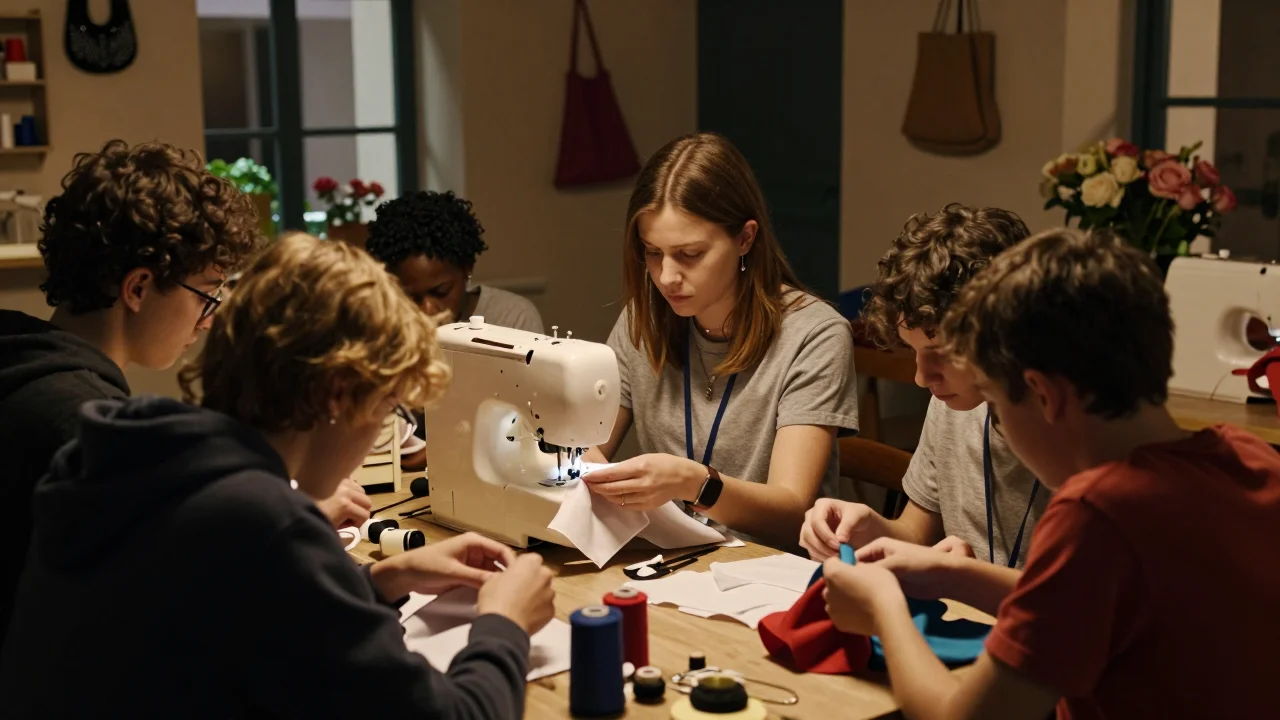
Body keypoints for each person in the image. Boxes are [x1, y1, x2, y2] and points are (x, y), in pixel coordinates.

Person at [0, 234, 557, 717]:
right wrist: (504, 624)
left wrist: (380, 581)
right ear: (339, 395)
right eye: (386, 404)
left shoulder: (138, 461)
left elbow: (247, 617)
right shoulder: (264, 525)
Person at [822, 229, 1280, 719]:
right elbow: (1098, 607)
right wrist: (954, 574)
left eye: (997, 403)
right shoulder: (1252, 459)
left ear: (1044, 395)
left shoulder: (1097, 514)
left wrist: (884, 610)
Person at [0, 140, 261, 644]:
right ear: (138, 288)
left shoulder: (21, 362)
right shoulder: (85, 429)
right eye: (207, 294)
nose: (208, 322)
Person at [582, 132, 859, 548]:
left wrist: (695, 484)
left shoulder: (815, 336)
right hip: (671, 557)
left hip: (770, 571)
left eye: (690, 254)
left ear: (745, 239)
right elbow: (587, 445)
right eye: (652, 252)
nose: (666, 277)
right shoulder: (643, 319)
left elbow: (792, 512)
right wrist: (582, 462)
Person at [799, 204, 1048, 571]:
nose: (921, 378)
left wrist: (966, 577)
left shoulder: (1073, 432)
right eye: (913, 351)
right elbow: (915, 534)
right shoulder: (951, 407)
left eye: (942, 353)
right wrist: (866, 528)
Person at [366, 189, 544, 470]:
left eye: (441, 291)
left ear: (467, 268)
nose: (426, 309)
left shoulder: (511, 318)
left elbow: (524, 423)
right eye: (410, 296)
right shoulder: (383, 328)